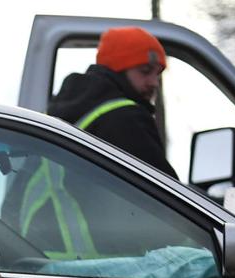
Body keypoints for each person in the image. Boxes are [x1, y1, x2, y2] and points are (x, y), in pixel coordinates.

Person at [48, 26, 176, 178]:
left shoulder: (64, 107)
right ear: (117, 69)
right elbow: (165, 187)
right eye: (145, 71)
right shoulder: (125, 118)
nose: (154, 83)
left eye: (158, 74)